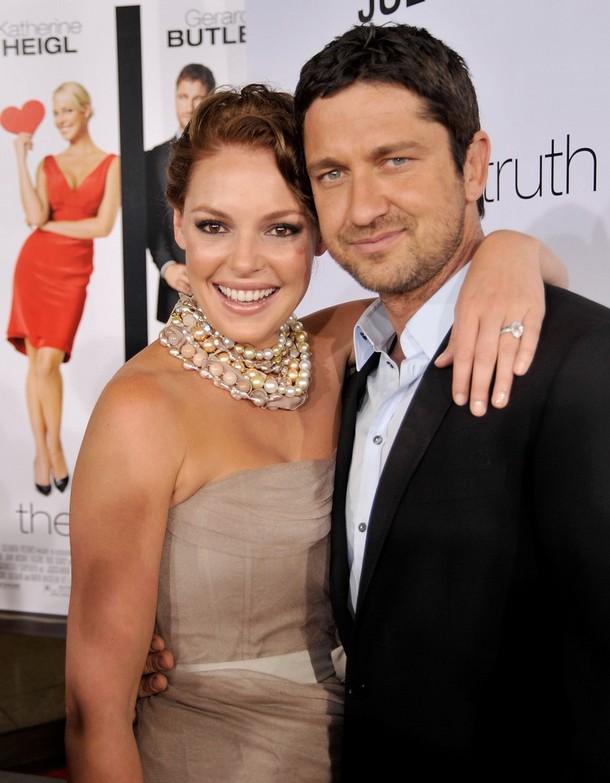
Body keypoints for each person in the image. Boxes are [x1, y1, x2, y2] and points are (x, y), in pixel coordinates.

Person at [65, 84, 564, 782]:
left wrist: (509, 250)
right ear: (176, 224)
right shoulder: (141, 411)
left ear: (321, 234)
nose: (245, 262)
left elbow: (517, 285)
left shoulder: (339, 348)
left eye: (281, 229)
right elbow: (93, 717)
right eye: (214, 226)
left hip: (370, 751)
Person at [291, 23, 610, 780]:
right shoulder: (347, 365)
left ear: (473, 164)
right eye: (331, 173)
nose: (362, 208)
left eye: (394, 160)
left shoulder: (581, 360)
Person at [6, 81, 121, 496]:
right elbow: (35, 214)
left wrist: (52, 226)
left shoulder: (111, 163)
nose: (60, 121)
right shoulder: (47, 163)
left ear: (86, 110)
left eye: (67, 111)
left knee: (48, 361)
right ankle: (45, 451)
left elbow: (102, 226)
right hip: (34, 267)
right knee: (36, 364)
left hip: (72, 273)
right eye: (55, 114)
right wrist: (20, 159)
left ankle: (52, 446)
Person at [146, 63, 216, 323]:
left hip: (224, 285)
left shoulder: (226, 153)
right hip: (176, 289)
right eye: (183, 97)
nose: (189, 106)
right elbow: (151, 223)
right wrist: (167, 268)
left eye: (198, 98)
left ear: (210, 99)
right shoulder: (154, 158)